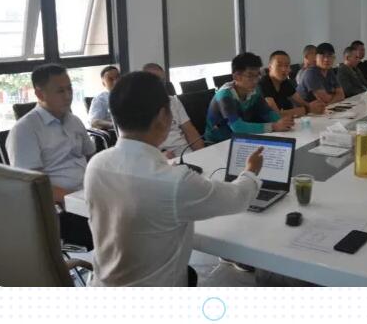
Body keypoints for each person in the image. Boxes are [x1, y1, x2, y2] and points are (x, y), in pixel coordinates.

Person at [85, 71, 264, 286]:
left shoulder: (96, 165)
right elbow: (238, 198)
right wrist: (250, 171)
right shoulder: (175, 182)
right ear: (163, 116)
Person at [6, 64, 95, 249]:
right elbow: (32, 185)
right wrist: (77, 200)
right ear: (40, 94)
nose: (68, 96)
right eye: (60, 91)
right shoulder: (25, 130)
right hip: (61, 210)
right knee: (119, 228)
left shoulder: (74, 121)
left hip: (88, 194)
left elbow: (90, 157)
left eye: (70, 88)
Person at [205, 52, 294, 143]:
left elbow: (267, 112)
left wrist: (282, 122)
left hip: (241, 139)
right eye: (250, 76)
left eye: (257, 75)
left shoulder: (255, 91)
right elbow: (237, 127)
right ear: (236, 77)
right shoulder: (225, 95)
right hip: (217, 143)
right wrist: (274, 126)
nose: (255, 81)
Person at [141, 63, 206, 158]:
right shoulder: (137, 107)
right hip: (162, 158)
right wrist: (159, 156)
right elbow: (138, 145)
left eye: (162, 81)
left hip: (185, 152)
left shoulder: (173, 101)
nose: (160, 84)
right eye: (155, 80)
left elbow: (189, 130)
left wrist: (203, 154)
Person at [259, 50, 325, 117]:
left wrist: (314, 106)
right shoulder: (263, 83)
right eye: (279, 65)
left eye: (287, 65)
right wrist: (307, 109)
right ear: (270, 67)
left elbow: (302, 103)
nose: (284, 69)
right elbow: (276, 115)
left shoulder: (284, 82)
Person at [88, 65, 120, 130]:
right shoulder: (100, 99)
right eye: (110, 79)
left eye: (117, 78)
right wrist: (114, 125)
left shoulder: (129, 94)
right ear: (103, 83)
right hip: (115, 132)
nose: (116, 82)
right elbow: (94, 122)